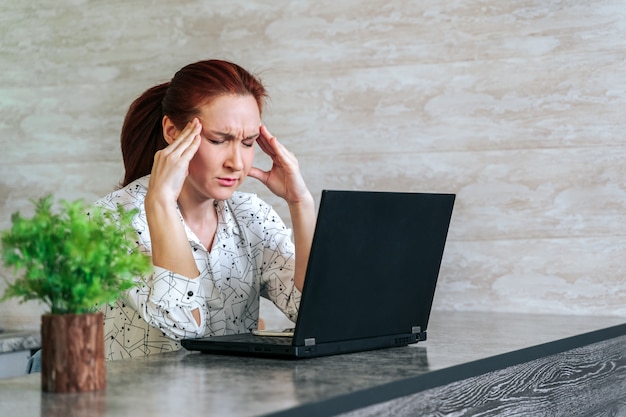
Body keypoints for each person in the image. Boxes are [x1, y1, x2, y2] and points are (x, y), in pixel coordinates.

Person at [94, 59, 316, 360]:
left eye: (248, 143)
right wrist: (160, 202)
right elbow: (183, 324)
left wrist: (301, 203)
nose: (236, 162)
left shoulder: (251, 215)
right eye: (218, 140)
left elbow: (314, 314)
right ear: (172, 131)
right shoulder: (109, 222)